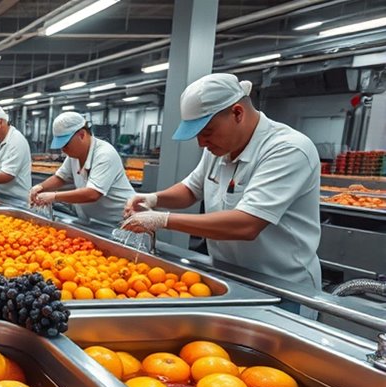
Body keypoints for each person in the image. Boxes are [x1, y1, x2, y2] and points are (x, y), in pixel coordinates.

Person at [122, 73, 322, 315]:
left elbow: (246, 224)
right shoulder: (219, 149)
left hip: (282, 288)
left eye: (207, 131)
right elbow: (190, 190)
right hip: (231, 277)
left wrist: (162, 220)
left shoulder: (288, 149)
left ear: (237, 113)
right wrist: (154, 198)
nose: (201, 143)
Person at [29, 112, 135, 225]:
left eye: (66, 144)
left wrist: (54, 196)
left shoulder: (105, 154)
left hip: (120, 222)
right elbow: (61, 177)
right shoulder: (74, 155)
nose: (63, 150)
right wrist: (40, 187)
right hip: (93, 222)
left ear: (82, 135)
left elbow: (92, 194)